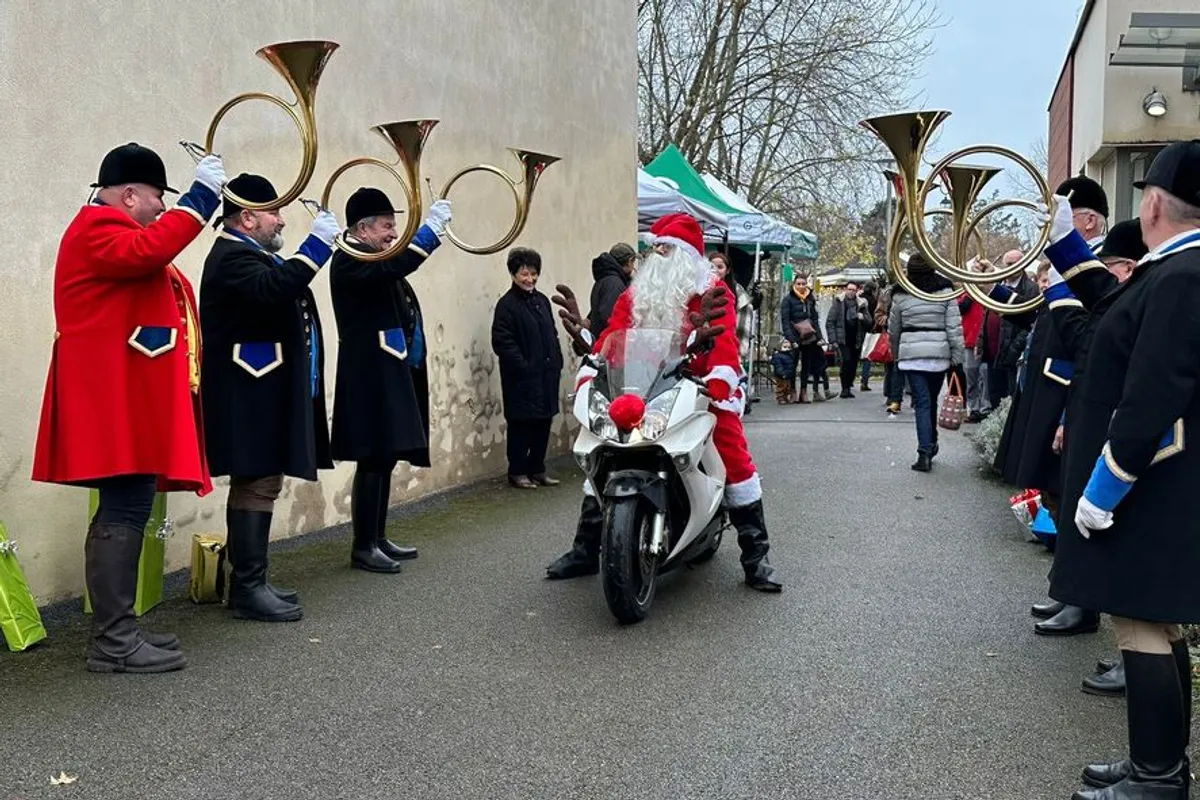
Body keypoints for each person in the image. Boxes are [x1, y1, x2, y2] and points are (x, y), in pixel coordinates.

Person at [1038, 141, 1200, 799]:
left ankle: (1157, 778)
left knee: (1140, 622)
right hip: (1161, 482)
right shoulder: (1176, 270)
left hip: (1150, 483)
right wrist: (1062, 244)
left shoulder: (1183, 275)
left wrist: (1104, 488)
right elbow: (1114, 305)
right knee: (1157, 621)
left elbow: (1152, 395)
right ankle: (1160, 766)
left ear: (1154, 204)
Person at [32, 144, 225, 673]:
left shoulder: (111, 230)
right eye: (159, 197)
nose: (163, 208)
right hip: (109, 397)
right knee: (123, 506)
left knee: (129, 503)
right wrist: (202, 197)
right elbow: (150, 252)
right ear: (131, 194)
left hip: (122, 394)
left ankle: (119, 631)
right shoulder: (98, 227)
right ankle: (113, 641)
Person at [545, 213, 782, 592]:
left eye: (667, 249)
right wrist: (595, 365)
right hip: (640, 388)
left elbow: (724, 342)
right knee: (601, 450)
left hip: (697, 387)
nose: (658, 256)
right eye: (655, 248)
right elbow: (614, 334)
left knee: (733, 454)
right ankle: (586, 550)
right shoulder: (636, 294)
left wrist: (719, 377)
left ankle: (756, 558)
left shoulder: (712, 292)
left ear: (687, 255)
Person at [199, 174, 340, 622]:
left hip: (260, 386)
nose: (280, 221)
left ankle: (250, 582)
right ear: (247, 217)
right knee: (257, 480)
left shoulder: (247, 254)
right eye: (274, 212)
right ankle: (247, 589)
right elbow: (273, 289)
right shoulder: (232, 255)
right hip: (248, 389)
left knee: (260, 481)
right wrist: (317, 247)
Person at [328, 188, 453, 573]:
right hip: (368, 371)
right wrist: (428, 234)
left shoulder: (371, 256)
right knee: (372, 456)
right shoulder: (350, 256)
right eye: (386, 226)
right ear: (363, 228)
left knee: (384, 457)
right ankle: (363, 546)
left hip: (387, 367)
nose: (393, 233)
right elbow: (395, 266)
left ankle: (377, 537)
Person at [491, 247, 564, 489]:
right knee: (521, 426)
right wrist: (523, 365)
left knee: (543, 424)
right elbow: (502, 341)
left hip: (546, 375)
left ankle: (537, 469)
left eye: (534, 274)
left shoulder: (542, 301)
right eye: (524, 274)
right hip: (521, 378)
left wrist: (557, 360)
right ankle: (518, 471)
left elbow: (551, 333)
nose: (530, 279)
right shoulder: (507, 305)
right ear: (513, 274)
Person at [887, 253, 965, 472]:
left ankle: (924, 452)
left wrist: (897, 354)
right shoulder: (946, 291)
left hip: (911, 355)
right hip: (938, 354)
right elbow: (954, 327)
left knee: (922, 402)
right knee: (931, 400)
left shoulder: (900, 293)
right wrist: (957, 357)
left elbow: (894, 329)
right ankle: (931, 443)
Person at [780, 273, 822, 403]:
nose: (801, 286)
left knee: (806, 364)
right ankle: (792, 390)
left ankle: (803, 391)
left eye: (803, 284)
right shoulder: (788, 300)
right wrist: (791, 338)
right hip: (794, 336)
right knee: (792, 364)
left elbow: (815, 318)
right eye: (798, 284)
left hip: (808, 336)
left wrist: (819, 336)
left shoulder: (810, 299)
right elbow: (785, 320)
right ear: (794, 284)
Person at [826, 281, 869, 398]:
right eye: (849, 289)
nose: (851, 292)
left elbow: (869, 322)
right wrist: (833, 339)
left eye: (853, 290)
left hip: (856, 339)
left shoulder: (861, 304)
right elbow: (830, 322)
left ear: (857, 291)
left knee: (853, 364)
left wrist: (863, 318)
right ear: (845, 290)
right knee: (846, 361)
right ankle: (844, 388)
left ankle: (849, 386)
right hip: (842, 339)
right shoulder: (838, 302)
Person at [587, 242, 637, 336]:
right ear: (629, 261)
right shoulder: (614, 283)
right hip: (608, 340)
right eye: (633, 262)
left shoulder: (604, 279)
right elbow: (609, 316)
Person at [957, 287, 989, 422]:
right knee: (971, 375)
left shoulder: (989, 292)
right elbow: (960, 309)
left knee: (985, 375)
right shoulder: (964, 294)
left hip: (986, 340)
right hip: (970, 339)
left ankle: (985, 408)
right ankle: (974, 408)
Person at [859, 280, 880, 391]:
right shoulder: (874, 301)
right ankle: (864, 380)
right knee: (867, 356)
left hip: (857, 330)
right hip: (869, 330)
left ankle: (848, 381)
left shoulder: (859, 299)